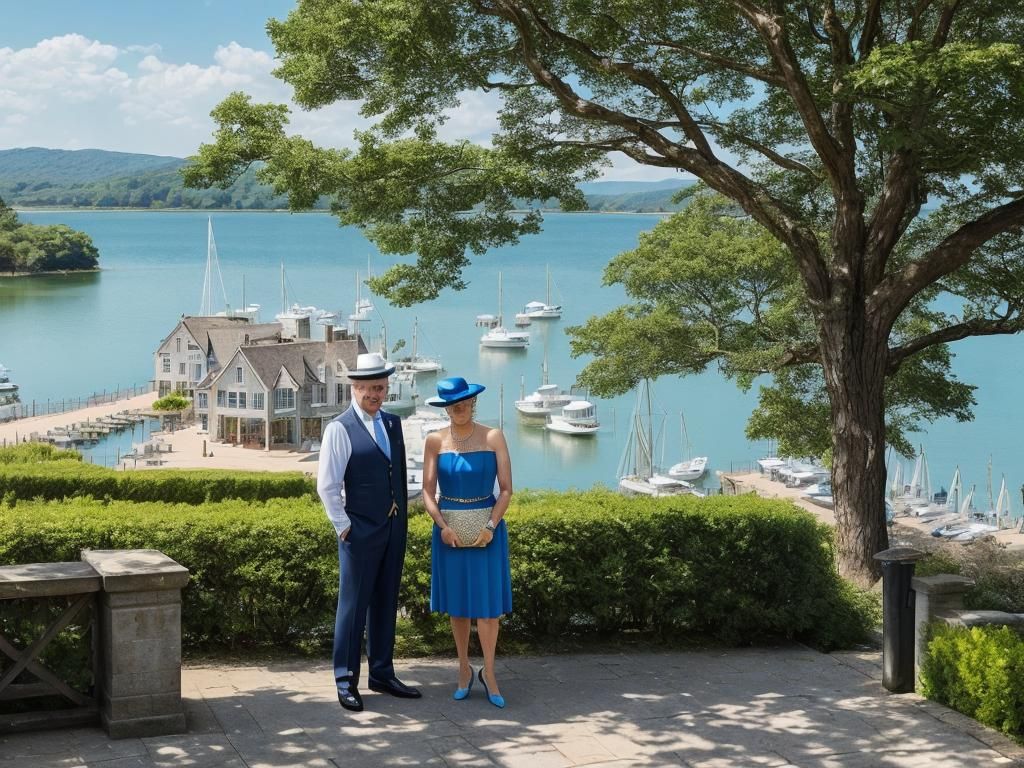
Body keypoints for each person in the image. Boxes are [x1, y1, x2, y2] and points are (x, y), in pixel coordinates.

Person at [317, 352, 421, 712]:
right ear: (355, 388)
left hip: (393, 528)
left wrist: (400, 518)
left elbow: (395, 473)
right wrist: (344, 528)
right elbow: (327, 487)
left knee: (386, 602)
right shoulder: (339, 428)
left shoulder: (392, 423)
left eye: (381, 387)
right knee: (353, 607)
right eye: (369, 388)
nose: (376, 395)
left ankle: (381, 672)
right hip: (359, 532)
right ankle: (345, 680)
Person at [422, 376, 513, 708]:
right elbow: (427, 494)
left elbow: (506, 490)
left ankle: (489, 673)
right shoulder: (434, 441)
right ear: (445, 407)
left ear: (472, 402)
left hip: (488, 531)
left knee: (489, 611)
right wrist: (442, 526)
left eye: (463, 402)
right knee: (459, 609)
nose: (458, 409)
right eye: (452, 404)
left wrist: (491, 525)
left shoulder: (493, 437)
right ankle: (463, 670)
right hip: (450, 533)